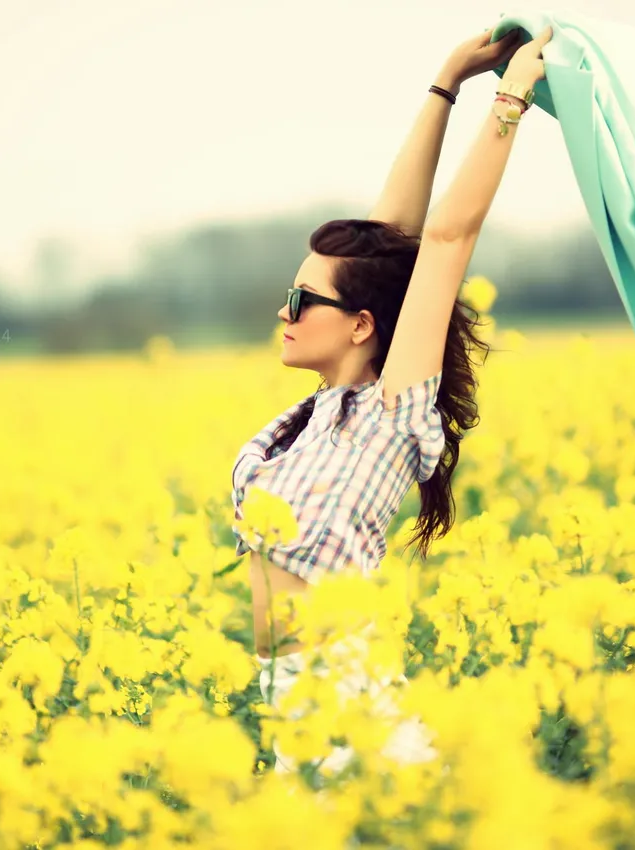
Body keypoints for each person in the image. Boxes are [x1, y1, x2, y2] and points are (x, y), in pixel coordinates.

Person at [229, 24, 555, 776]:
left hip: (347, 710)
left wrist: (510, 100)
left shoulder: (391, 414)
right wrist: (447, 81)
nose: (283, 312)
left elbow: (444, 241)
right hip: (296, 712)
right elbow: (393, 241)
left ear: (362, 326)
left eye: (301, 300)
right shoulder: (311, 420)